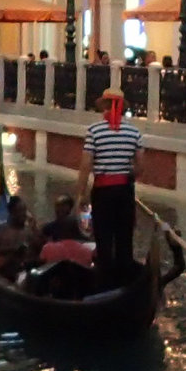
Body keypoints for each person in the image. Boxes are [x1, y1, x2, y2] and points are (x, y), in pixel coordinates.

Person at [81, 88, 144, 277]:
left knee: (104, 238)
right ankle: (124, 279)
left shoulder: (94, 131)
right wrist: (126, 177)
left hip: (102, 191)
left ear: (105, 107)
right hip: (124, 191)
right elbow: (140, 168)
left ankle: (104, 280)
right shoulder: (134, 132)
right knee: (125, 237)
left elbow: (85, 166)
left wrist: (80, 195)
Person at [0, 194, 35, 275]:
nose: (24, 214)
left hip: (24, 272)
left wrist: (34, 229)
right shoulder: (0, 230)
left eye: (24, 210)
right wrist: (12, 250)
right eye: (20, 211)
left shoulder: (29, 231)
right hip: (4, 272)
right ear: (12, 212)